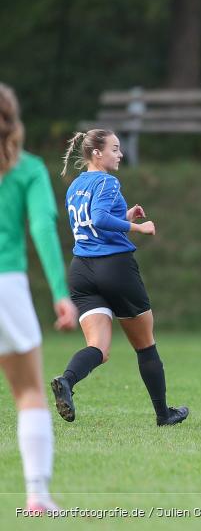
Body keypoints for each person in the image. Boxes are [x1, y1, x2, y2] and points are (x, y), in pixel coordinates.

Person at [51, 128, 188, 426]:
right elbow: (100, 218)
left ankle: (67, 381)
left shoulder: (75, 186)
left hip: (81, 271)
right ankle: (164, 415)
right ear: (96, 153)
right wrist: (139, 227)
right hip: (115, 268)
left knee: (99, 348)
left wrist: (125, 216)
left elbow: (90, 224)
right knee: (145, 345)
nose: (120, 154)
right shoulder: (108, 181)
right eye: (114, 149)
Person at [0, 83, 79, 512]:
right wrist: (61, 294)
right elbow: (43, 229)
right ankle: (37, 495)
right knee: (29, 391)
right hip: (7, 288)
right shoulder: (28, 170)